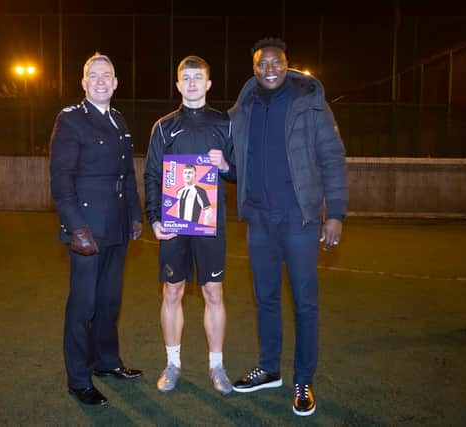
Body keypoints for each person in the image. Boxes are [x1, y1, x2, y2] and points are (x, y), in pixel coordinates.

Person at [228, 38, 348, 416]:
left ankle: (303, 378)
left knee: (304, 302)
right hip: (259, 219)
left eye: (276, 62)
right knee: (265, 297)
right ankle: (269, 368)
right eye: (262, 63)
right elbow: (236, 164)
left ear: (287, 64)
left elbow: (332, 157)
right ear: (254, 68)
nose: (269, 68)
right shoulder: (242, 109)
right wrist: (220, 165)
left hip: (299, 218)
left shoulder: (310, 103)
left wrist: (336, 213)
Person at [49, 52, 144, 407]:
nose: (101, 80)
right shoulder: (71, 119)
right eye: (94, 75)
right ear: (84, 83)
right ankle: (78, 379)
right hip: (87, 229)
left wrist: (134, 215)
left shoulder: (118, 119)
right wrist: (76, 227)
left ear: (116, 82)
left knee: (109, 301)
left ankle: (106, 363)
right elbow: (61, 179)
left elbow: (126, 173)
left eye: (108, 74)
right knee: (83, 305)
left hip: (116, 226)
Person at [144, 55, 236, 395]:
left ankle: (217, 367)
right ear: (178, 85)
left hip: (211, 225)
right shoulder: (164, 126)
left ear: (209, 84)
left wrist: (225, 164)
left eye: (199, 78)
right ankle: (172, 363)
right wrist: (154, 218)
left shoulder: (225, 123)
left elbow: (242, 172)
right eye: (187, 78)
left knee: (213, 291)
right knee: (173, 290)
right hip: (174, 225)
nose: (193, 83)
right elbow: (153, 174)